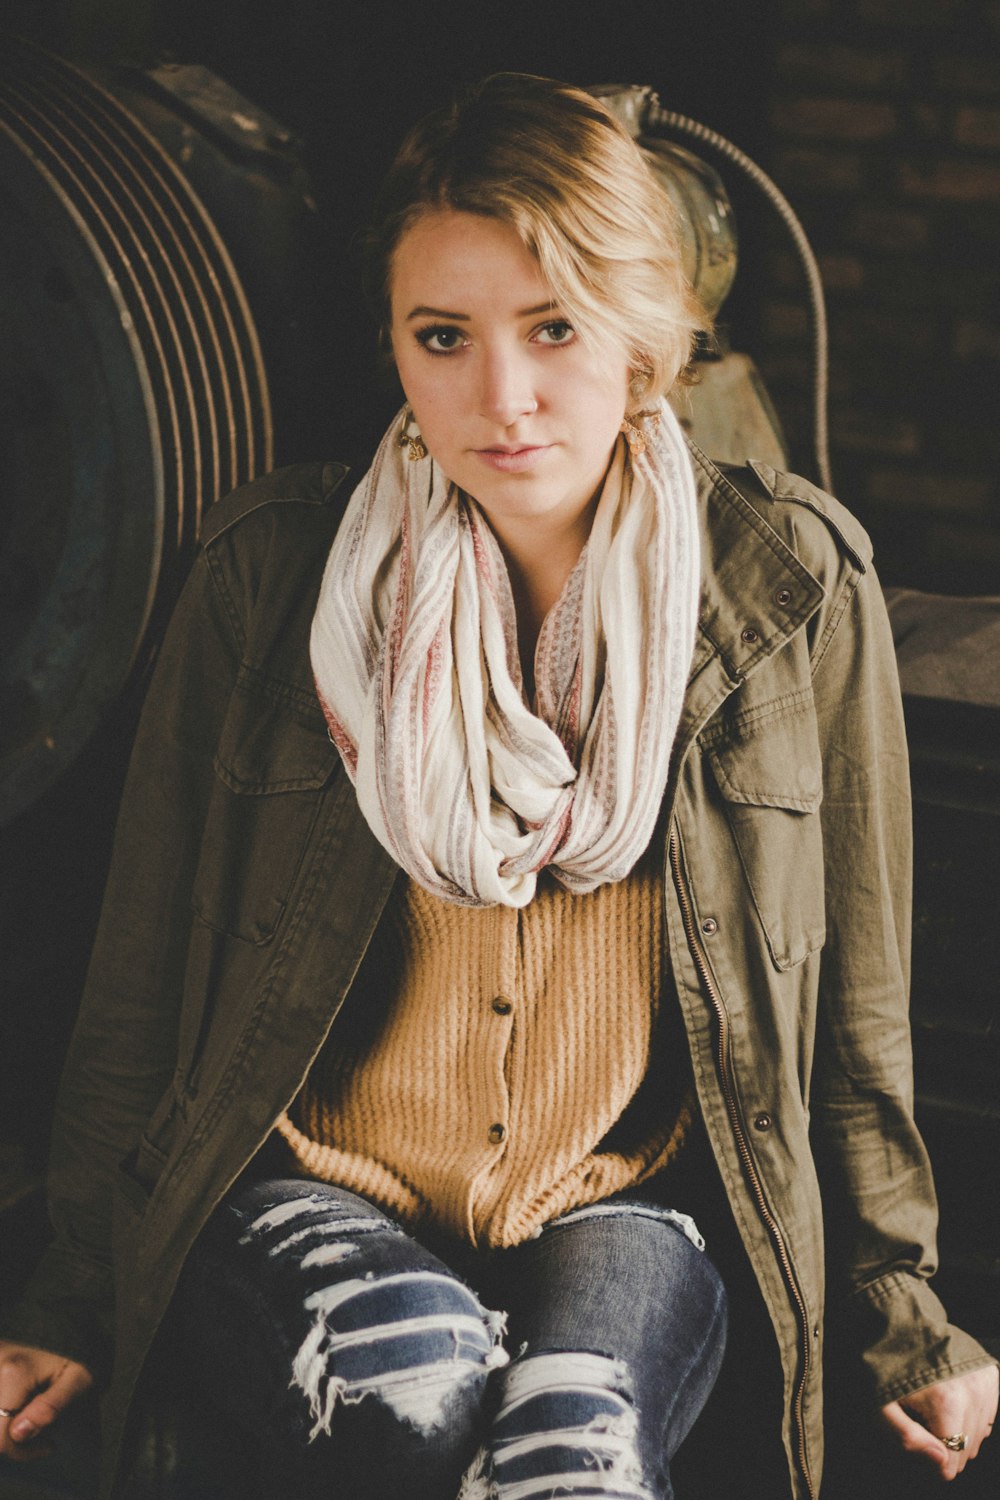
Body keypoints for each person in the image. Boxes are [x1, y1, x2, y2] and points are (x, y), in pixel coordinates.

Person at [0, 72, 996, 1500]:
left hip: (624, 1198)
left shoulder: (787, 591)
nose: (502, 398)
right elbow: (140, 971)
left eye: (555, 330)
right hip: (315, 1178)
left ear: (645, 342)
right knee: (416, 1404)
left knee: (567, 1463)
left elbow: (861, 1002)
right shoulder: (273, 579)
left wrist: (906, 1311)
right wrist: (65, 1304)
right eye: (443, 337)